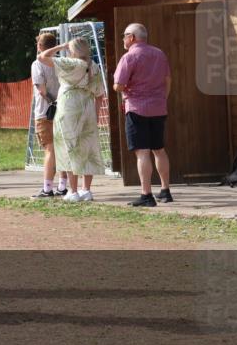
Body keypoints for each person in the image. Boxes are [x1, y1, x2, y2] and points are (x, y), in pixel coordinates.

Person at [38, 37, 106, 202]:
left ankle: (73, 191)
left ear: (73, 50)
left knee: (68, 146)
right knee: (87, 147)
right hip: (87, 108)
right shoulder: (93, 66)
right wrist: (95, 115)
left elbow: (42, 57)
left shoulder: (70, 63)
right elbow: (99, 95)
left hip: (68, 107)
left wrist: (61, 46)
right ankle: (86, 190)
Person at [114, 23, 172, 207]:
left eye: (124, 35)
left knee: (142, 153)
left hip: (137, 108)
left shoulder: (129, 57)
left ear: (131, 37)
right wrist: (162, 98)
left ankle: (146, 194)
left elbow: (119, 85)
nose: (123, 39)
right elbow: (167, 80)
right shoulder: (160, 54)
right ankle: (165, 191)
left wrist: (124, 88)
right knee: (159, 149)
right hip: (158, 107)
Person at [30, 32, 70, 198]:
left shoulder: (37, 64)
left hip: (45, 111)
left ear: (40, 46)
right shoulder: (61, 62)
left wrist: (53, 103)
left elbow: (42, 90)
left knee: (50, 149)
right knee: (62, 148)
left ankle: (47, 188)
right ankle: (63, 185)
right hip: (64, 108)